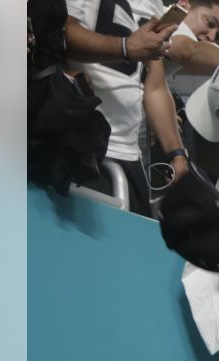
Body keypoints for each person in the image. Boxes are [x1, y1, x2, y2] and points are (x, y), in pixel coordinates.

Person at [65, 0, 188, 216]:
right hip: (81, 140)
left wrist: (177, 153)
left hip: (129, 152)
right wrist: (125, 47)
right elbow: (60, 32)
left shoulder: (154, 3)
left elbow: (155, 86)